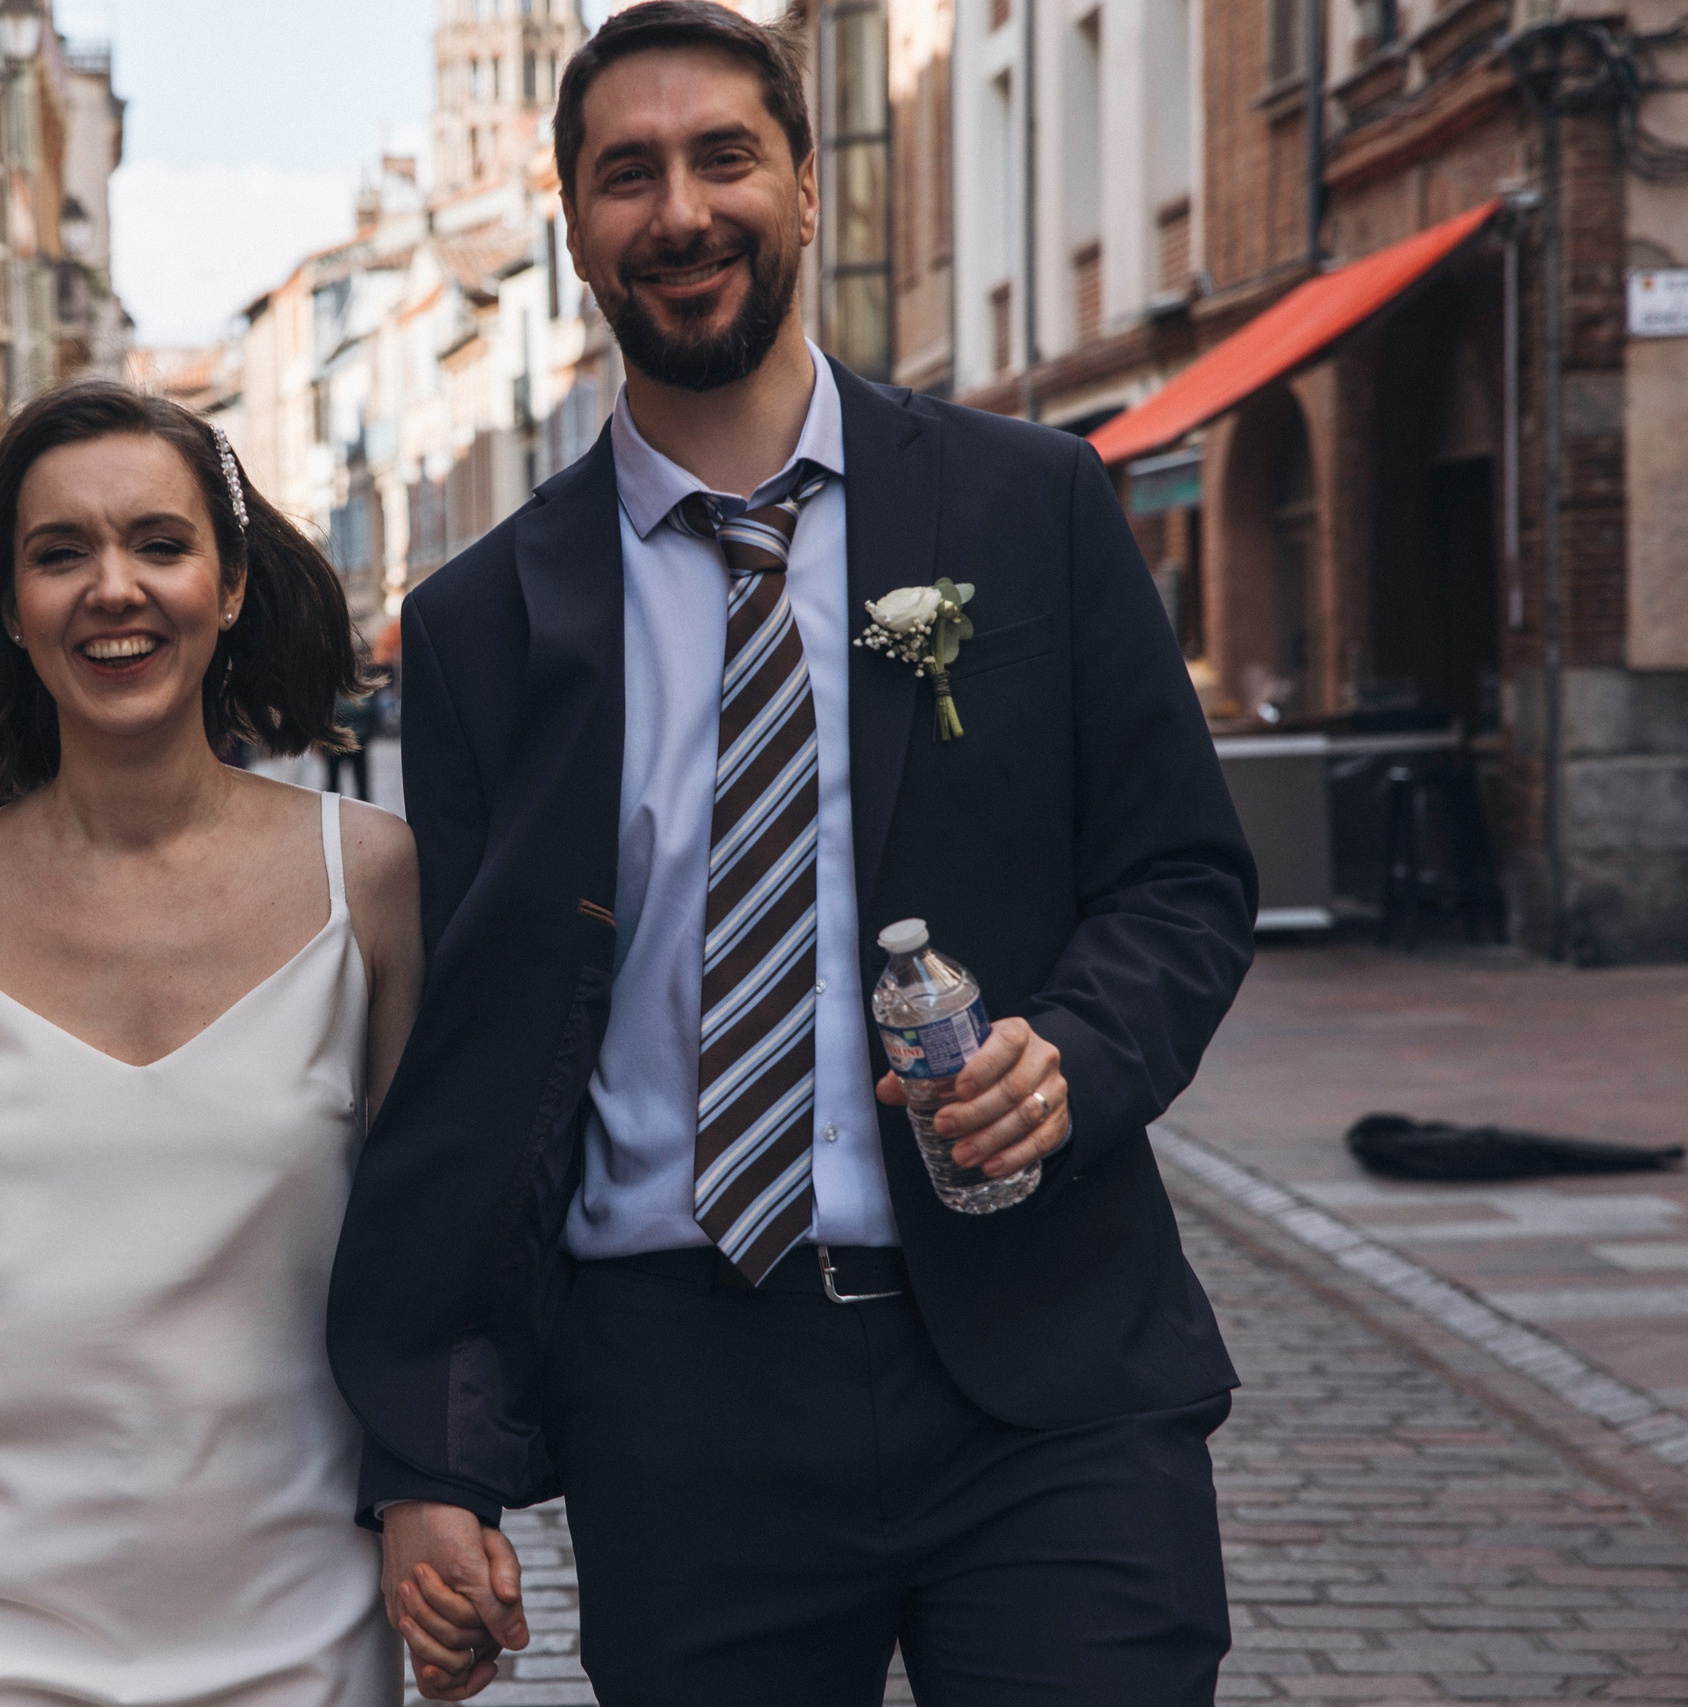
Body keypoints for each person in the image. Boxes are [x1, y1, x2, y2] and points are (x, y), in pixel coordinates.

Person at [327, 5, 1259, 1703]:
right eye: (627, 174)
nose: (679, 211)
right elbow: (474, 1072)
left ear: (808, 191)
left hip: (1045, 1357)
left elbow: (1181, 874)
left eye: (723, 157)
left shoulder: (1026, 504)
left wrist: (1080, 1056)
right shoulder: (480, 627)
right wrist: (432, 1454)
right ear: (575, 227)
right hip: (682, 1397)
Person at [0, 381, 418, 1707]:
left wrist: (442, 1508)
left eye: (160, 544)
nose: (111, 586)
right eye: (60, 551)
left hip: (295, 1623)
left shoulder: (372, 880)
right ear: (12, 606)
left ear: (229, 584)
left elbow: (433, 1258)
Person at [326, 664, 380, 800]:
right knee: (359, 783)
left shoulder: (334, 690)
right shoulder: (361, 690)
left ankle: (331, 811)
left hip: (343, 742)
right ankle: (363, 808)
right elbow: (372, 714)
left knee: (335, 783)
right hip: (353, 742)